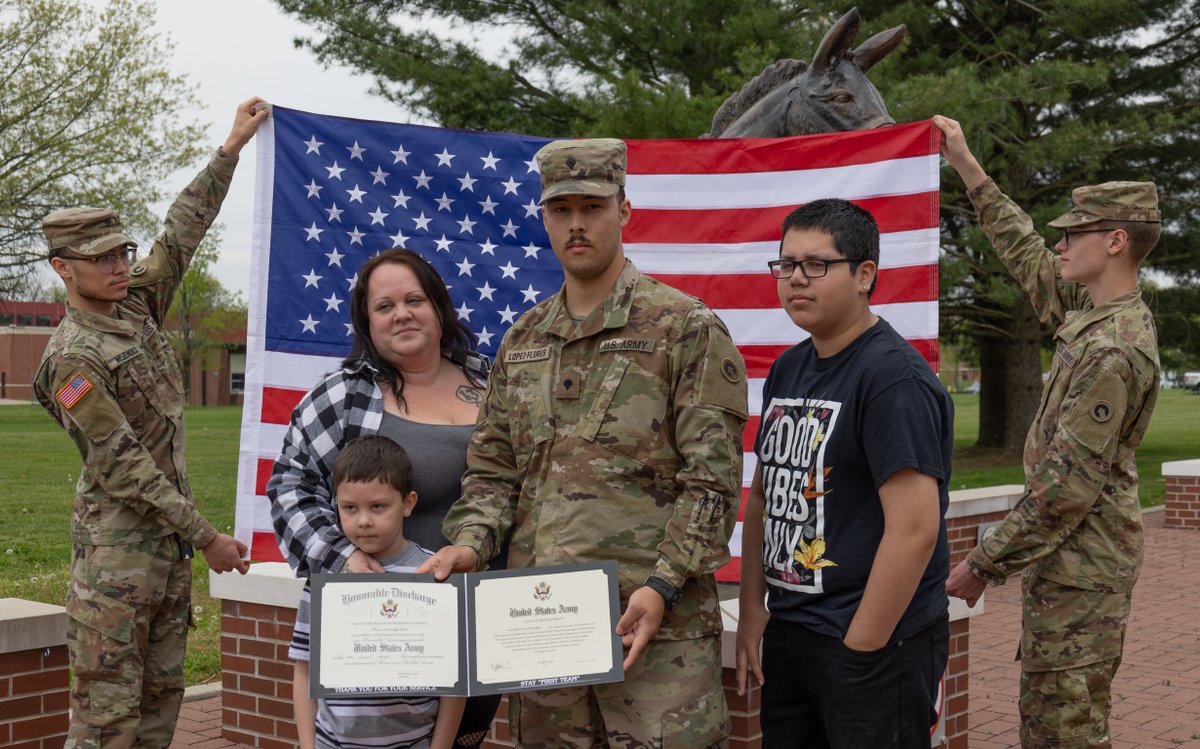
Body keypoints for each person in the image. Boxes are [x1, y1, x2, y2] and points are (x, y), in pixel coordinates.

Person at [417, 137, 749, 748]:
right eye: (560, 209)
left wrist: (663, 585)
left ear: (623, 209)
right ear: (544, 215)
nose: (576, 224)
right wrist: (468, 544)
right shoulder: (523, 340)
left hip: (652, 634)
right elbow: (493, 474)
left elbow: (713, 483)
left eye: (592, 208)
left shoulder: (685, 329)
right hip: (544, 631)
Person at [33, 98, 268, 748]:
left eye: (121, 251)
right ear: (62, 267)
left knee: (160, 713)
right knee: (107, 724)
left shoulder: (136, 300)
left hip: (166, 552)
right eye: (101, 257)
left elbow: (182, 231)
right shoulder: (72, 358)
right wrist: (208, 534)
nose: (118, 266)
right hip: (117, 562)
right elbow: (120, 460)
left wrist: (231, 147)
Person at [935, 115, 1162, 749]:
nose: (1059, 245)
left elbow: (1067, 488)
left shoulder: (1114, 349)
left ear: (1115, 240)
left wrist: (983, 564)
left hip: (1083, 571)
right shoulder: (1091, 312)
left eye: (1073, 235)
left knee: (1065, 729)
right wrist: (967, 164)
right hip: (1071, 564)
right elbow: (1023, 249)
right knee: (1052, 714)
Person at [734, 198, 954, 748]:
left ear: (864, 275)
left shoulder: (892, 378)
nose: (795, 280)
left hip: (873, 643)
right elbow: (766, 497)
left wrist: (862, 645)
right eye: (785, 265)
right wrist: (754, 607)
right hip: (793, 631)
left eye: (816, 264)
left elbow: (914, 529)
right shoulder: (790, 364)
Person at [268, 248, 498, 747]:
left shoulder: (492, 381)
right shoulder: (344, 396)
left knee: (462, 738)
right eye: (384, 306)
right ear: (366, 322)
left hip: (481, 616)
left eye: (414, 299)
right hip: (388, 632)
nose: (402, 314)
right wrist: (341, 553)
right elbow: (289, 485)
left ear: (438, 307)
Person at [289, 436, 465, 749]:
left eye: (378, 506)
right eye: (350, 508)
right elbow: (304, 671)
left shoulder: (434, 576)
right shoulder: (325, 579)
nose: (364, 521)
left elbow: (455, 681)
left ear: (408, 503)